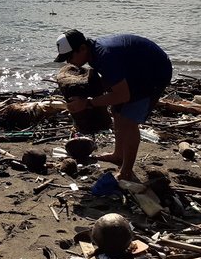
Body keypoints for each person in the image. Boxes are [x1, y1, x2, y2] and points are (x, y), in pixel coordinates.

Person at [54, 29, 172, 182]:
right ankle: (118, 155)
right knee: (117, 110)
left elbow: (123, 95)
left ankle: (126, 171)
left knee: (128, 121)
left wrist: (88, 103)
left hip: (153, 73)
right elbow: (110, 85)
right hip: (134, 70)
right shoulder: (93, 54)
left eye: (70, 56)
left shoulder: (104, 55)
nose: (69, 62)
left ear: (82, 48)